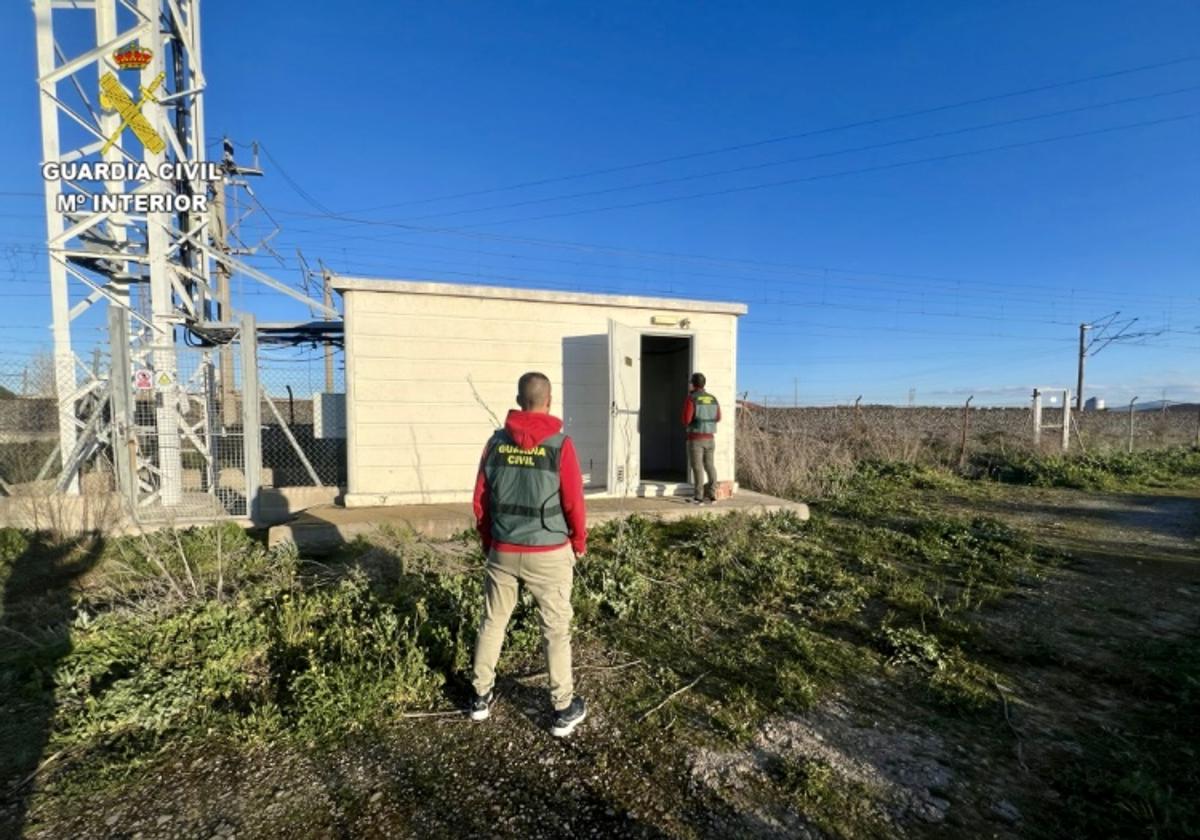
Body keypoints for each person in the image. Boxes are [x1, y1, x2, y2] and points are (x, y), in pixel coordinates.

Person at [469, 371, 588, 737]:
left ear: (519, 401)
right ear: (548, 401)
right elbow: (573, 502)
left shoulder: (494, 444)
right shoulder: (560, 445)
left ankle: (479, 697)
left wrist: (489, 542)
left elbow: (480, 501)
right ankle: (563, 708)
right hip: (549, 553)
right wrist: (579, 542)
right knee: (555, 630)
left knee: (493, 622)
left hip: (502, 550)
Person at [682, 372, 721, 504]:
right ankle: (712, 495)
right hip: (710, 438)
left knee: (697, 467)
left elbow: (686, 420)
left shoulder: (691, 399)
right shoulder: (713, 398)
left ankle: (698, 497)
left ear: (693, 384)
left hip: (696, 438)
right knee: (710, 465)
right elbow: (718, 417)